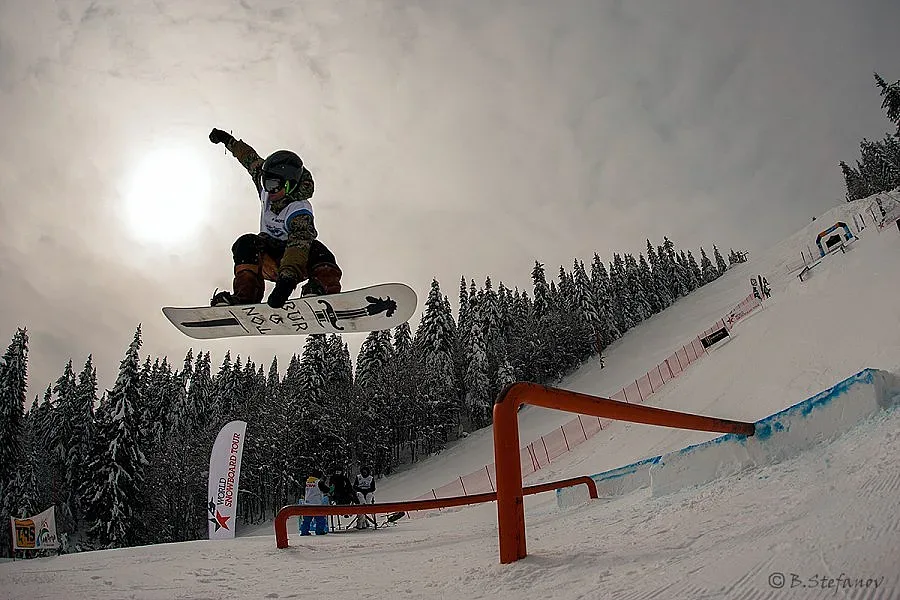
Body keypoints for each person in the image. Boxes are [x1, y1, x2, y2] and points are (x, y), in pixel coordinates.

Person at [207, 128, 343, 308]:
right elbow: (249, 158)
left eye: (273, 185)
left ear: (290, 185)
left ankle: (321, 289)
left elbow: (298, 245)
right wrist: (228, 140)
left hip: (296, 263)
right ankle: (245, 297)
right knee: (246, 242)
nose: (268, 190)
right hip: (268, 259)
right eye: (265, 183)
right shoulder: (267, 186)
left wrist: (285, 284)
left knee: (320, 252)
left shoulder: (299, 210)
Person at [299, 469, 331, 536]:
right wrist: (331, 488)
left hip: (307, 503)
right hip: (316, 504)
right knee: (320, 519)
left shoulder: (307, 481)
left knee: (306, 520)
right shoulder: (318, 482)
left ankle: (304, 532)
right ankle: (319, 531)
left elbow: (303, 491)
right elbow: (326, 489)